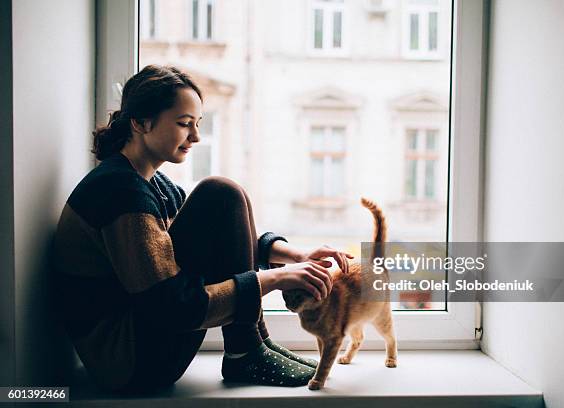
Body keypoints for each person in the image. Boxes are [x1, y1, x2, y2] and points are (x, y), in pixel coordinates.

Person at [52, 65, 353, 392]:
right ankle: (246, 350)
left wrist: (295, 255)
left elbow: (227, 240)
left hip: (140, 341)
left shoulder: (151, 183)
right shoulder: (120, 192)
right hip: (128, 364)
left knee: (224, 197)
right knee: (220, 193)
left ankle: (250, 345)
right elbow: (172, 308)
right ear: (140, 122)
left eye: (198, 125)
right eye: (184, 124)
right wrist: (276, 278)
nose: (195, 136)